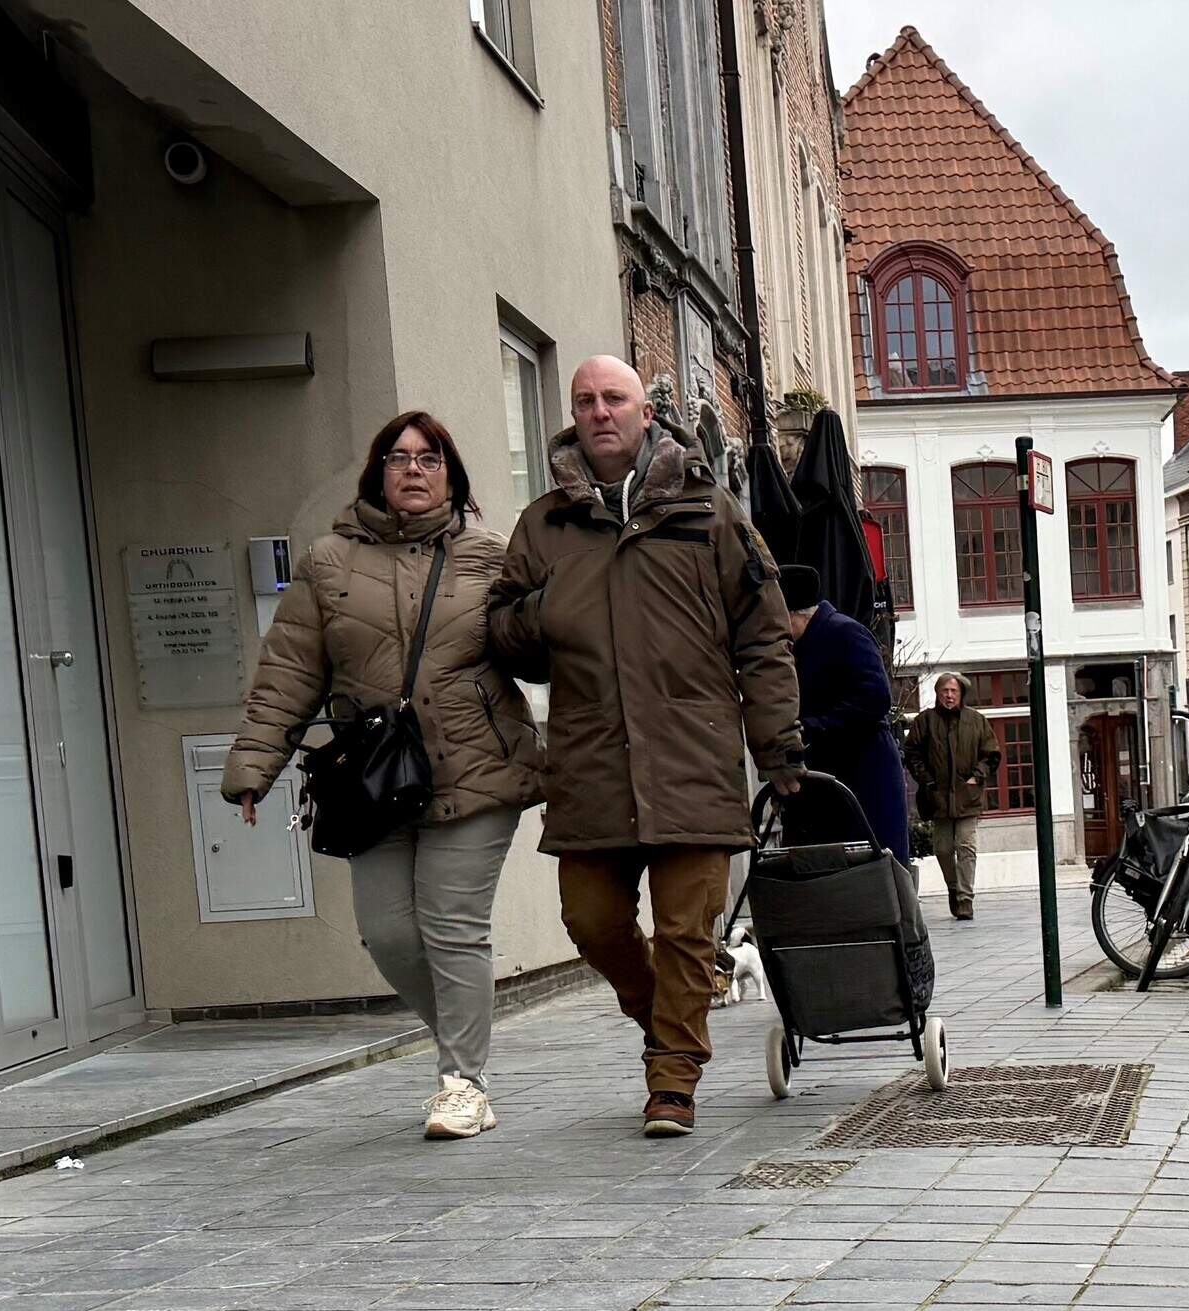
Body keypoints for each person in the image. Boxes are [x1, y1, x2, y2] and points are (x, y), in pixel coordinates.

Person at [487, 356, 802, 1140]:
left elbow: (763, 637)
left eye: (614, 399)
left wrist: (778, 745)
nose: (600, 412)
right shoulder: (545, 523)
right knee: (589, 920)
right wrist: (550, 608)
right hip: (591, 758)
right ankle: (663, 1023)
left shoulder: (710, 509)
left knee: (689, 930)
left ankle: (673, 1081)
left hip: (692, 755)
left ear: (644, 411)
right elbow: (503, 633)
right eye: (585, 401)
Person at [222, 411, 536, 1142]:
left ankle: (463, 1081)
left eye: (430, 459)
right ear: (378, 472)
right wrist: (253, 769)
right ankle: (465, 1043)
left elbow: (538, 647)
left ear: (451, 474)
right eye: (399, 457)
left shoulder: (491, 556)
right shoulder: (328, 563)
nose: (415, 470)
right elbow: (290, 672)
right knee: (390, 935)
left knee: (452, 928)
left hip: (476, 766)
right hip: (373, 777)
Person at [782, 563, 911, 861]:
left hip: (864, 771)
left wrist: (814, 726)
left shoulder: (845, 632)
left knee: (871, 865)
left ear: (791, 614)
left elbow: (875, 697)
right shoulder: (805, 642)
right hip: (829, 774)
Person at [908, 673, 1001, 920]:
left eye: (953, 691)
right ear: (938, 694)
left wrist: (977, 776)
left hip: (967, 796)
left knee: (966, 847)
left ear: (961, 694)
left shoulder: (976, 721)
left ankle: (965, 899)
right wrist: (926, 779)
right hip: (937, 797)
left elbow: (991, 755)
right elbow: (912, 753)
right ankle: (953, 887)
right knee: (943, 849)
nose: (949, 695)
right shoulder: (924, 721)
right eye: (944, 691)